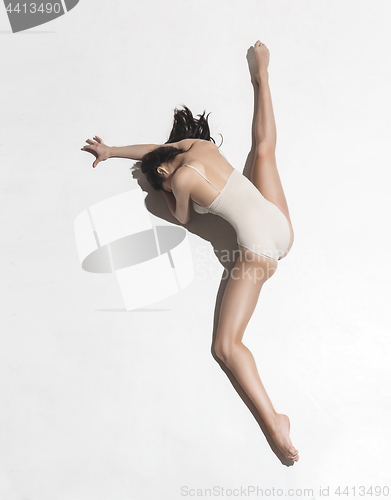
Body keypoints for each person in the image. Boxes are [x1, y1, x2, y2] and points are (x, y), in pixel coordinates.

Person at [81, 41, 299, 462]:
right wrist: (112, 152)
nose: (157, 187)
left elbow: (180, 216)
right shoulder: (199, 148)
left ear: (164, 174)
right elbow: (155, 153)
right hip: (280, 226)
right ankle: (262, 76)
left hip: (260, 253)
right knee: (263, 150)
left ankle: (275, 423)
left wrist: (164, 193)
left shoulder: (176, 183)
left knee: (225, 346)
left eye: (156, 181)